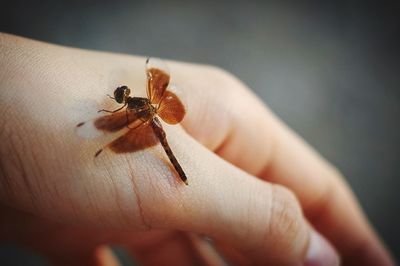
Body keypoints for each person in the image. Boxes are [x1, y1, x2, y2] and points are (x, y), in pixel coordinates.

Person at [0, 33, 394, 266]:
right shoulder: (146, 101)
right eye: (123, 97)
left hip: (153, 129)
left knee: (164, 151)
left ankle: (180, 173)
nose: (122, 97)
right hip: (156, 123)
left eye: (123, 96)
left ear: (129, 98)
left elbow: (109, 120)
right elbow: (143, 99)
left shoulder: (130, 111)